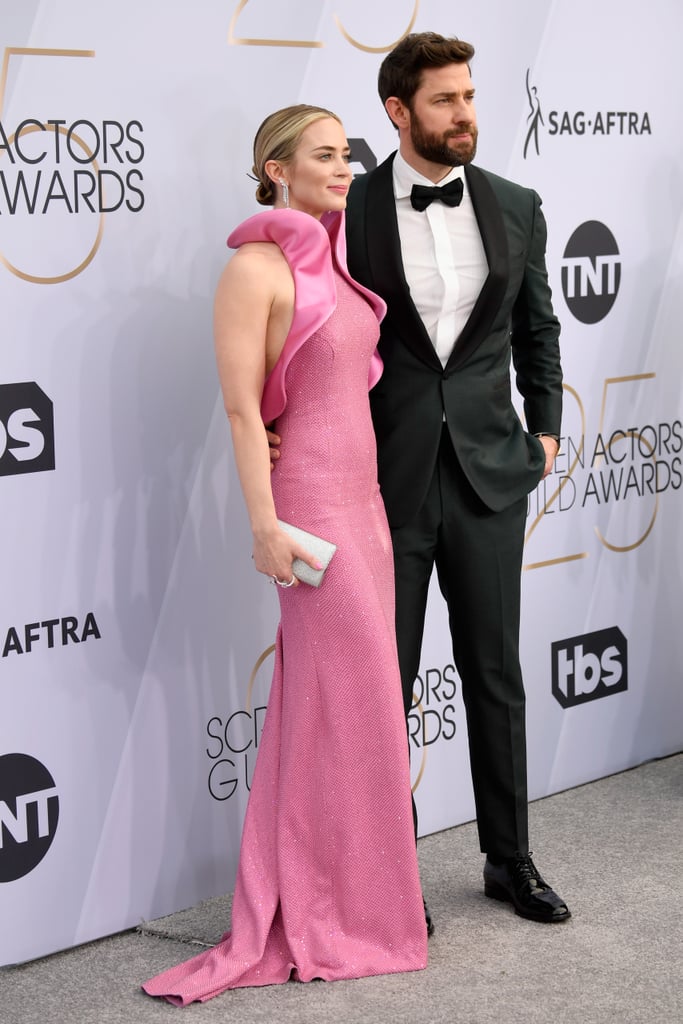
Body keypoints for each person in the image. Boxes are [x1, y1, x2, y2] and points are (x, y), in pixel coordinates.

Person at [141, 105, 427, 1005]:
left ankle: (345, 898)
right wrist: (263, 525)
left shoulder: (334, 264)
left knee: (336, 710)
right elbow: (239, 412)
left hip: (366, 508)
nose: (344, 167)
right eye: (323, 155)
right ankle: (323, 905)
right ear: (273, 169)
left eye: (347, 154)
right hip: (307, 512)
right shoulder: (252, 270)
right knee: (347, 705)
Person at [344, 33, 570, 925]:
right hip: (382, 479)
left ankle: (509, 859)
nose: (464, 114)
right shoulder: (350, 209)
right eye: (444, 100)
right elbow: (317, 336)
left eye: (468, 96)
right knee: (382, 683)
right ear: (398, 113)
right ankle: (390, 874)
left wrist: (545, 433)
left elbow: (537, 330)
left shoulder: (515, 205)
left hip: (487, 476)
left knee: (494, 673)